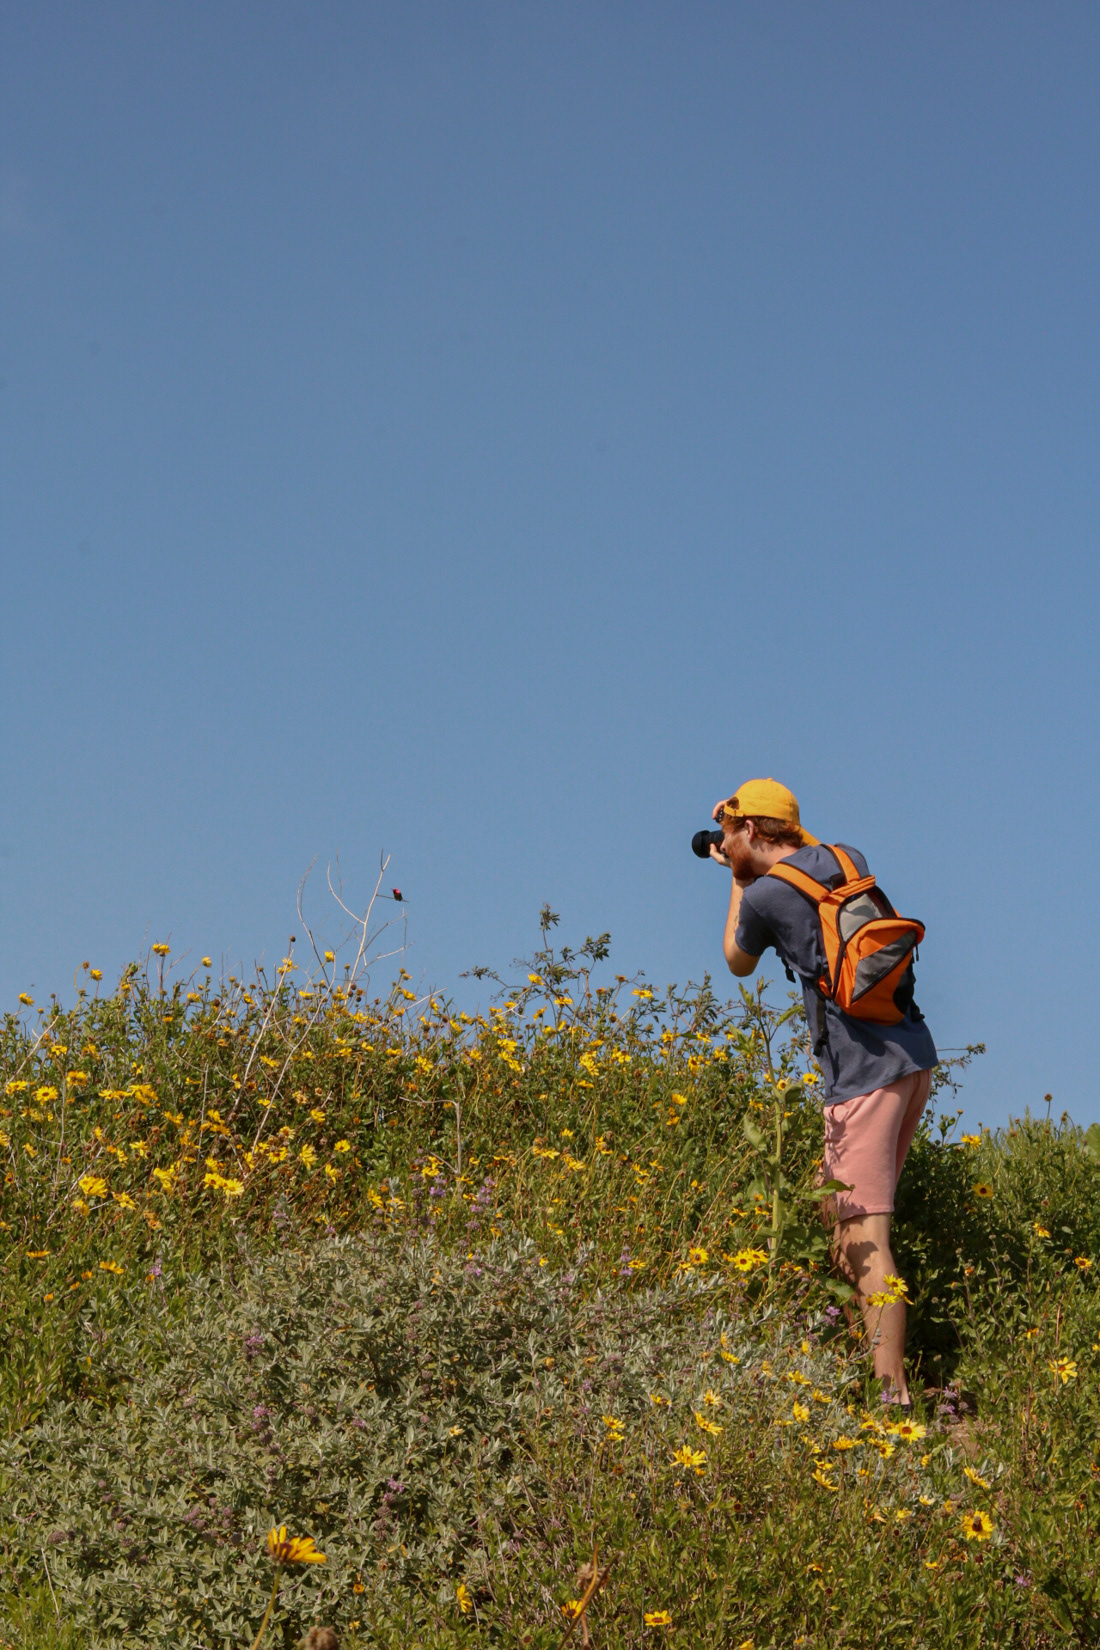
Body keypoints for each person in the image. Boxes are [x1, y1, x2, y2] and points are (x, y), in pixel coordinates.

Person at [709, 777, 937, 1406]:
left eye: (729, 834)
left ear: (749, 830)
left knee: (866, 1242)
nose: (725, 844)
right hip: (912, 1057)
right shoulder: (845, 857)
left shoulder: (762, 897)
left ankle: (892, 1400)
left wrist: (736, 878)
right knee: (833, 1215)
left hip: (862, 1078)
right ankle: (847, 1352)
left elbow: (736, 960)